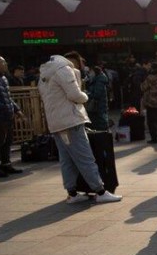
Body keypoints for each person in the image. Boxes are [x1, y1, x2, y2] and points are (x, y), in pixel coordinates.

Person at [38, 52, 121, 203]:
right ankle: (100, 191)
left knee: (66, 159)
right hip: (71, 120)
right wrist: (85, 96)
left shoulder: (44, 74)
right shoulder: (64, 69)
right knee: (85, 157)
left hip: (56, 123)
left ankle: (72, 194)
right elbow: (75, 95)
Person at [85, 64, 111, 131]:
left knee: (101, 121)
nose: (89, 74)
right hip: (98, 106)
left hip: (99, 106)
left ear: (95, 72)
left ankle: (104, 133)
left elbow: (97, 94)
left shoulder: (99, 81)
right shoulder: (96, 80)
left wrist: (88, 94)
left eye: (90, 72)